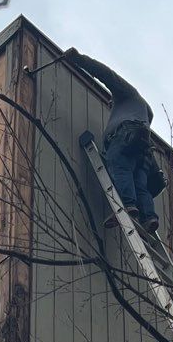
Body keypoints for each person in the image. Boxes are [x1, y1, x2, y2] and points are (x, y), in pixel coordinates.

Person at [64, 47, 165, 233]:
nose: (111, 105)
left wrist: (79, 59)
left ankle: (127, 206)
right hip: (143, 149)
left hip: (125, 136)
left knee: (119, 166)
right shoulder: (144, 112)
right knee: (139, 183)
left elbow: (106, 75)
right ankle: (149, 217)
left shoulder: (127, 95)